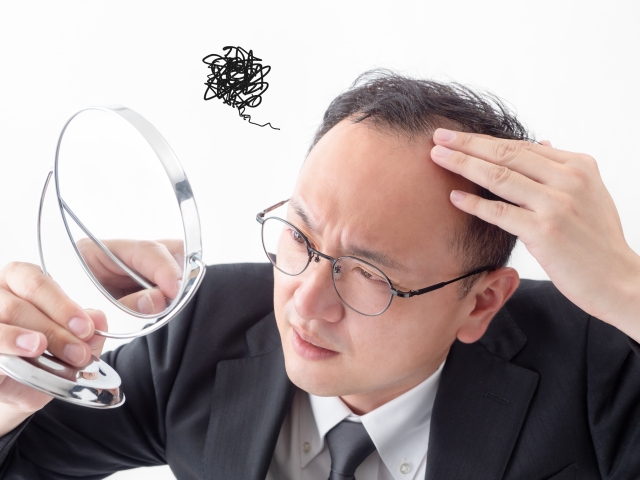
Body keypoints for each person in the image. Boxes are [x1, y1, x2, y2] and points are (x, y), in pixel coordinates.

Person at [0, 69, 639, 480]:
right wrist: (11, 391)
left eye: (369, 274)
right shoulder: (202, 327)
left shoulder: (595, 360)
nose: (304, 304)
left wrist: (628, 290)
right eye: (300, 237)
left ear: (480, 304)